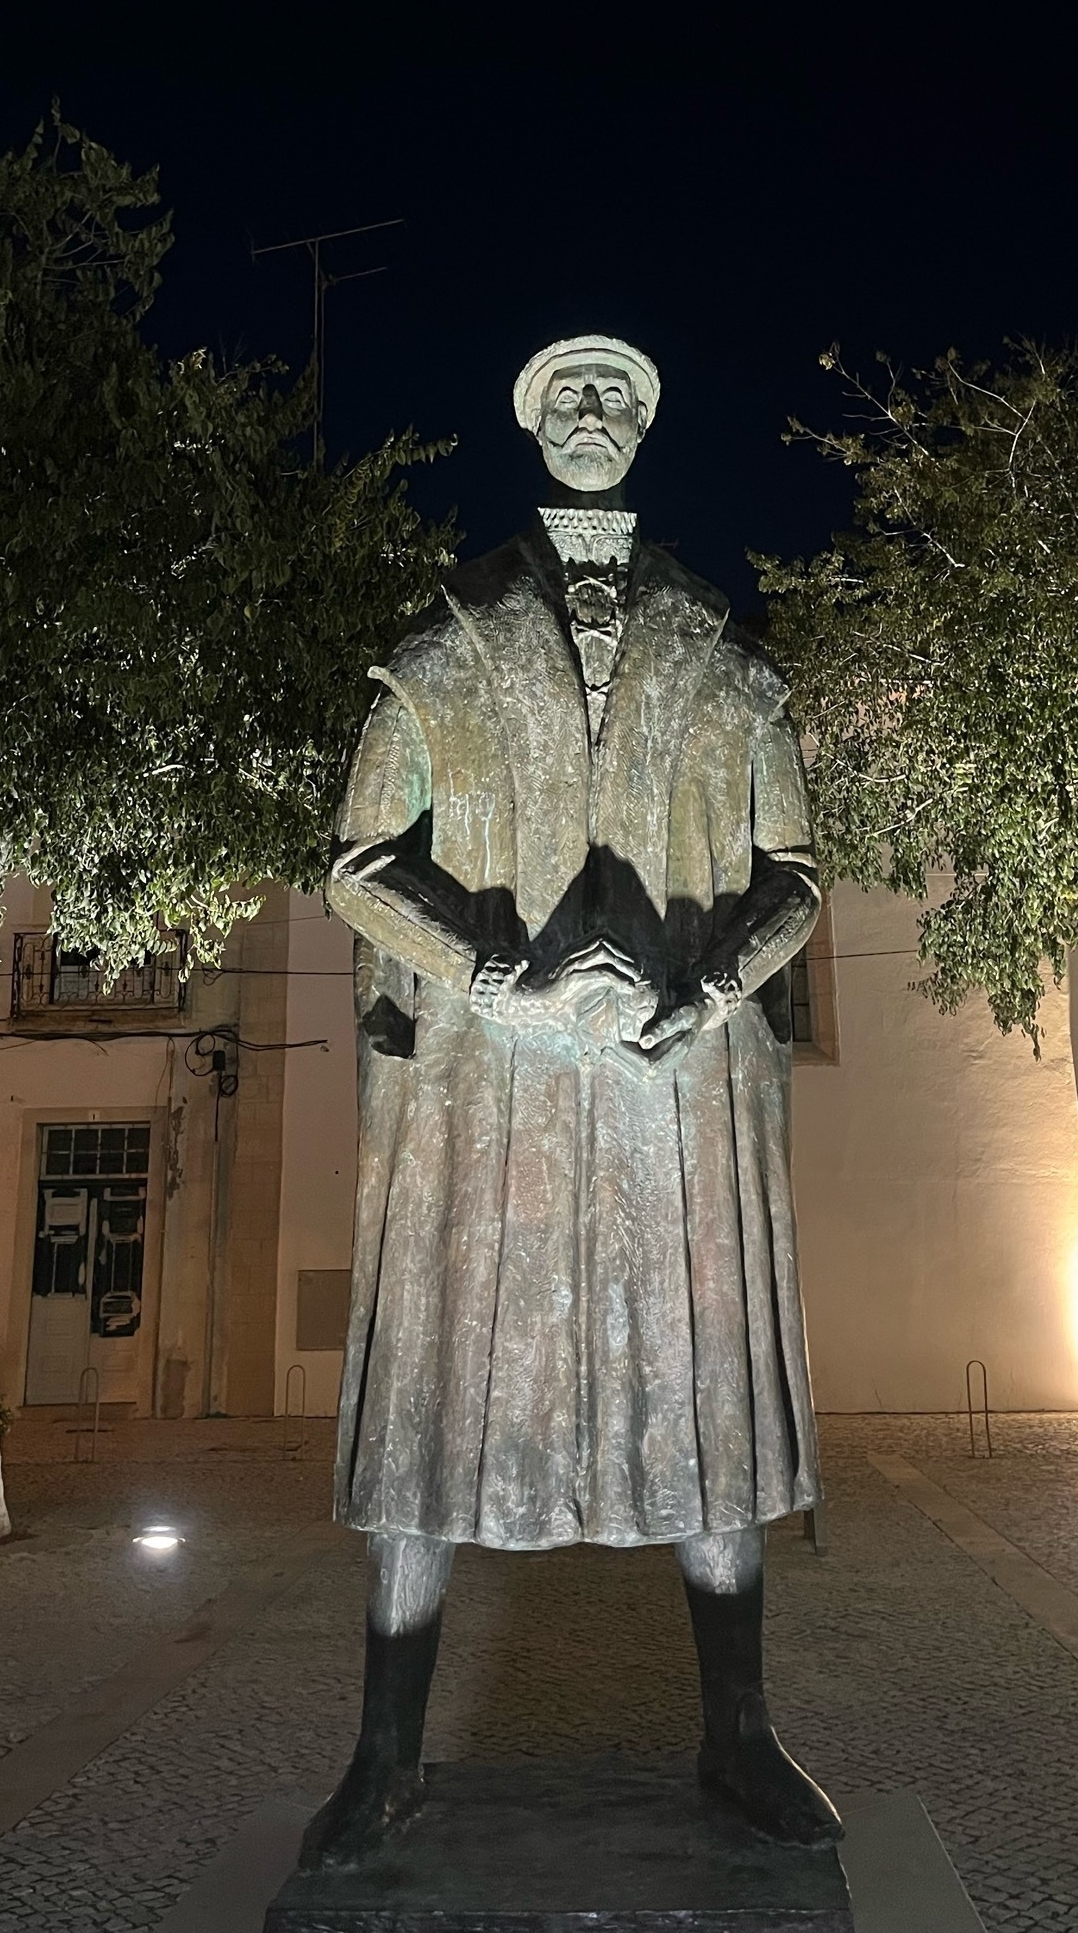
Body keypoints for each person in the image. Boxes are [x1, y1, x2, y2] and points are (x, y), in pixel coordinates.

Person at [306, 334, 837, 1864]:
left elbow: (794, 876)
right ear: (533, 425)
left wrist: (718, 985)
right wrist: (491, 980)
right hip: (485, 1085)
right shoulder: (444, 647)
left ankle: (740, 1733)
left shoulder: (723, 659)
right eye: (567, 394)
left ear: (649, 424)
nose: (594, 412)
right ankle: (385, 1753)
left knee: (710, 1384)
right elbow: (358, 864)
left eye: (619, 393)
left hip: (680, 1079)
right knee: (433, 1398)